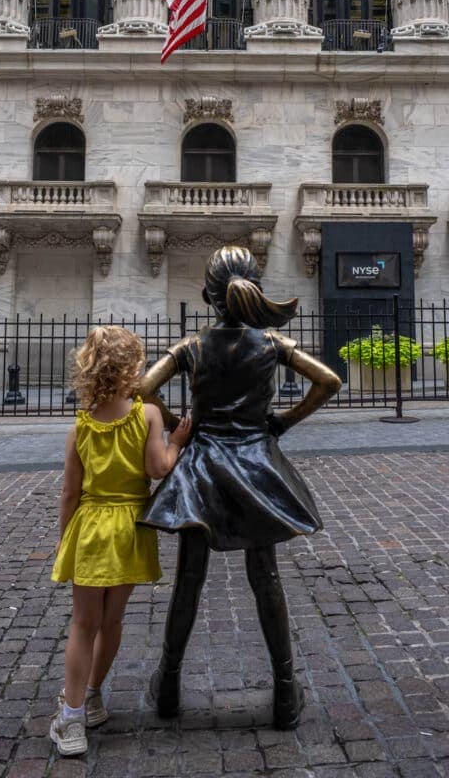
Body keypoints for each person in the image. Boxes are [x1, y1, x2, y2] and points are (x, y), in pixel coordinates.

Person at [138, 246, 342, 729]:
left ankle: (168, 683)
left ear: (209, 296)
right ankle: (286, 692)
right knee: (265, 577)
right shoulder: (271, 343)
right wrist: (283, 423)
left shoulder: (192, 346)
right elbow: (329, 380)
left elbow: (141, 389)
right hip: (256, 465)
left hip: (202, 464)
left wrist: (176, 424)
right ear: (253, 289)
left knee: (189, 578)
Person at [50, 325, 191, 756]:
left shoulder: (81, 426)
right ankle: (92, 696)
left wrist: (64, 540)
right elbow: (158, 468)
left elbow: (70, 493)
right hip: (131, 527)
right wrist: (178, 441)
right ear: (131, 368)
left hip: (92, 529)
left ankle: (71, 719)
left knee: (82, 623)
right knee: (112, 622)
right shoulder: (146, 415)